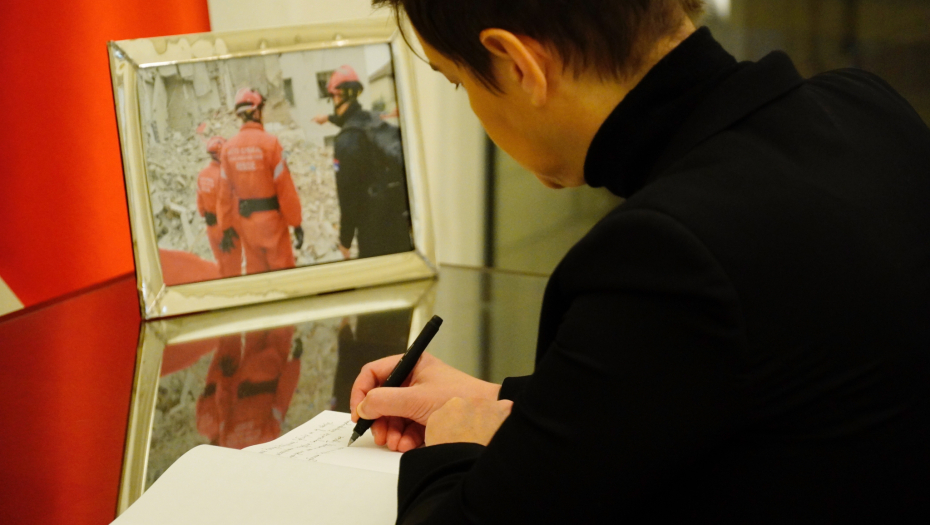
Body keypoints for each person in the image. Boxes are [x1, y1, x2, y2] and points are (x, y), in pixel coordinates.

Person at [350, 0, 930, 523]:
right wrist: (502, 401)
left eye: (458, 82)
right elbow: (727, 378)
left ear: (520, 65)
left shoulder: (664, 252)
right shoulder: (866, 107)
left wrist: (457, 445)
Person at [313, 65, 412, 259]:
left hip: (373, 231)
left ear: (338, 96)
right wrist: (328, 118)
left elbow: (347, 197)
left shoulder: (345, 140)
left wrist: (345, 240)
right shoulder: (373, 120)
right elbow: (352, 118)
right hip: (399, 221)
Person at [217, 87, 304, 274]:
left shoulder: (228, 149)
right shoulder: (270, 144)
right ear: (256, 112)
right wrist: (296, 222)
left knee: (257, 276)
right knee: (284, 277)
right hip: (273, 225)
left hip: (247, 226)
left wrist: (225, 226)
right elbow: (285, 189)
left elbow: (224, 194)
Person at [196, 136, 242, 278]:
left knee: (221, 266)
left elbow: (201, 207)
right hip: (227, 229)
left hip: (212, 229)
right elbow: (230, 206)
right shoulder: (225, 177)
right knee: (233, 269)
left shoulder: (202, 175)